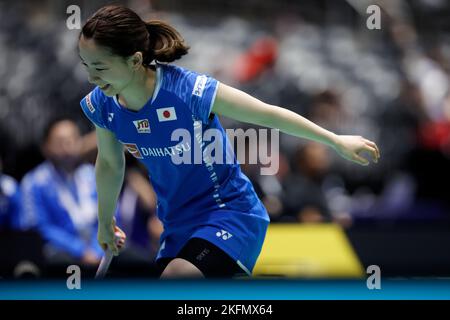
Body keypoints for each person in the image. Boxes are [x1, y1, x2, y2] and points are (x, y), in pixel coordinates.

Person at [78, 5, 380, 278]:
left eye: (100, 67)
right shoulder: (102, 105)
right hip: (177, 224)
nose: (91, 77)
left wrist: (334, 140)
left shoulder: (188, 91)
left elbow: (267, 115)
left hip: (230, 213)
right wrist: (105, 221)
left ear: (134, 60)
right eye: (86, 65)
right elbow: (108, 163)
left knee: (177, 280)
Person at [21, 117, 125, 267]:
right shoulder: (34, 183)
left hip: (100, 250)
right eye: (60, 142)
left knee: (140, 262)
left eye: (73, 140)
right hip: (59, 253)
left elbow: (113, 215)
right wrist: (80, 250)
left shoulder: (93, 175)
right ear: (45, 147)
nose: (67, 147)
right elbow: (39, 228)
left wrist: (98, 250)